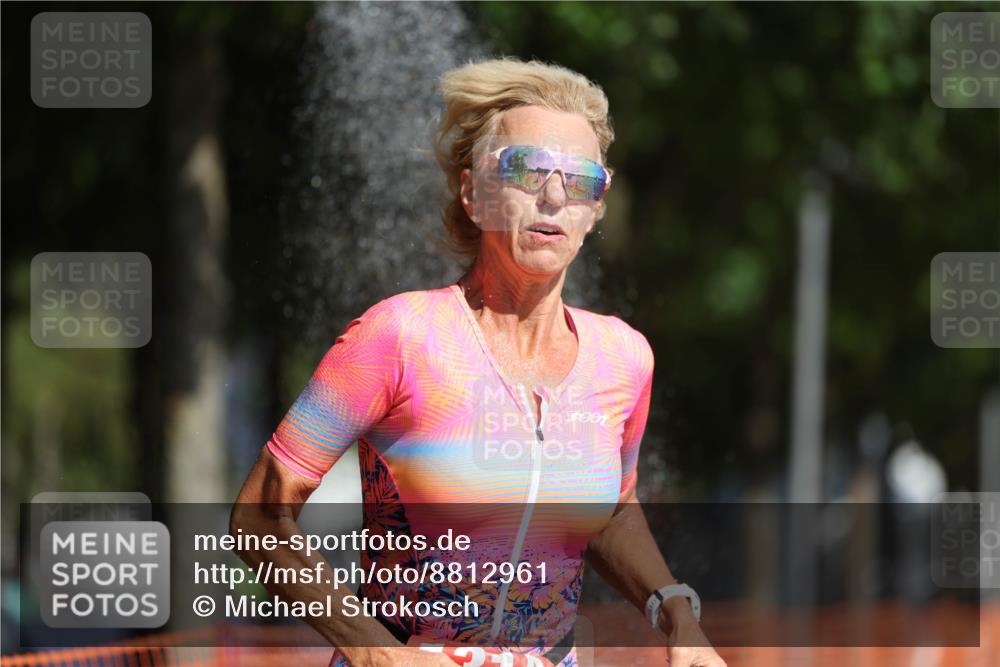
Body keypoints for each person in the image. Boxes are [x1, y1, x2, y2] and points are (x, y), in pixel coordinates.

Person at [231, 56, 726, 667]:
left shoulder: (623, 359)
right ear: (474, 193)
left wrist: (677, 615)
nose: (552, 197)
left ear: (596, 208)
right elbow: (258, 515)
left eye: (579, 180)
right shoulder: (398, 335)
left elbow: (610, 514)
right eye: (526, 169)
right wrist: (378, 655)